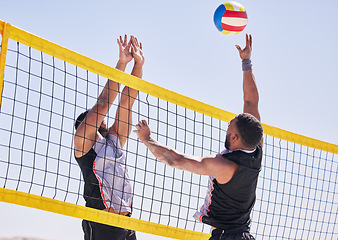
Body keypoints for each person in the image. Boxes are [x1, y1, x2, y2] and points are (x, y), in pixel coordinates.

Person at [134, 34, 262, 240]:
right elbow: (251, 102)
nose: (228, 123)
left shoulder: (224, 166)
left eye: (231, 124)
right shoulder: (256, 147)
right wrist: (246, 62)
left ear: (236, 138)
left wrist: (147, 139)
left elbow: (176, 160)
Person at [74, 34, 144, 240]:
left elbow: (127, 101)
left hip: (126, 222)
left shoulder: (113, 141)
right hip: (101, 223)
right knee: (103, 105)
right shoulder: (82, 142)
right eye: (96, 118)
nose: (102, 119)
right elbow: (104, 104)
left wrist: (138, 64)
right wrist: (121, 63)